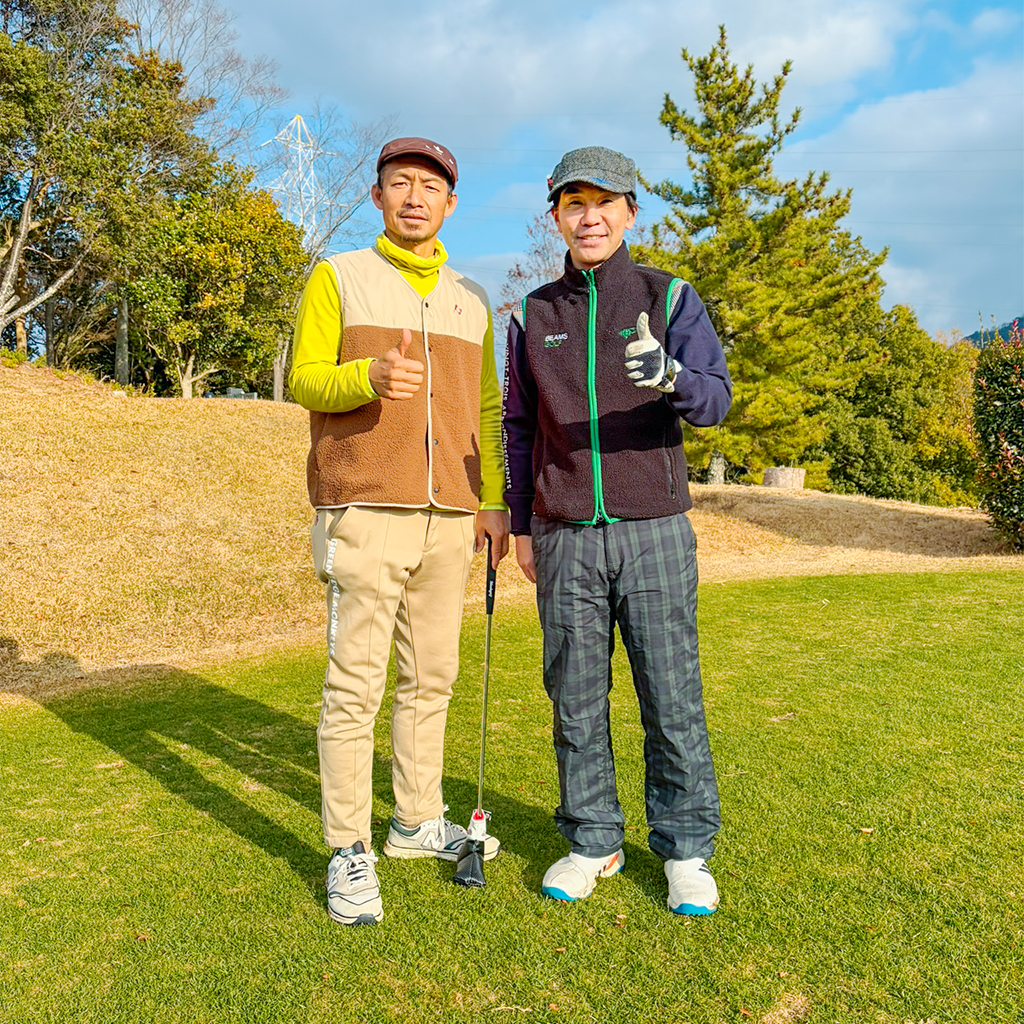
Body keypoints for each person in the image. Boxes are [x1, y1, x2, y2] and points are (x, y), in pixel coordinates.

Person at [502, 146, 732, 915]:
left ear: (631, 212)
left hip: (656, 530)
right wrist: (524, 526)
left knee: (671, 694)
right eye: (574, 204)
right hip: (564, 531)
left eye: (604, 202)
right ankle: (592, 838)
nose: (589, 216)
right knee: (573, 694)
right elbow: (518, 427)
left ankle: (686, 847)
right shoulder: (534, 314)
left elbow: (715, 402)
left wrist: (669, 374)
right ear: (557, 218)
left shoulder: (669, 299)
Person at [290, 136, 509, 926]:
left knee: (433, 680)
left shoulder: (472, 300)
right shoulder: (338, 278)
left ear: (450, 205)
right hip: (364, 508)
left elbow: (486, 410)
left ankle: (416, 823)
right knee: (355, 687)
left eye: (430, 187)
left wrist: (493, 502)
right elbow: (303, 380)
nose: (414, 197)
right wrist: (369, 379)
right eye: (399, 184)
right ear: (378, 197)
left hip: (451, 516)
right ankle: (348, 848)